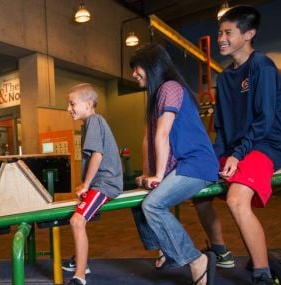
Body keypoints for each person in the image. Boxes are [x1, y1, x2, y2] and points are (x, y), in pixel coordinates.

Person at [201, 5, 281, 285]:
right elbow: (222, 128)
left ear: (249, 33)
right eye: (219, 33)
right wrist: (211, 159)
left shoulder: (262, 66)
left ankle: (263, 273)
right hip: (236, 148)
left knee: (236, 200)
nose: (221, 39)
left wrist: (239, 155)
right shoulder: (225, 77)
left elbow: (264, 120)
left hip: (266, 144)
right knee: (198, 191)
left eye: (228, 32)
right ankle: (220, 251)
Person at [129, 44, 219, 285]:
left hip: (197, 164)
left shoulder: (170, 87)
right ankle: (167, 251)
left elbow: (163, 134)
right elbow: (148, 139)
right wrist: (148, 174)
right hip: (181, 166)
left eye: (136, 68)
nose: (133, 74)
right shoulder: (155, 96)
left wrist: (157, 175)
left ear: (151, 65)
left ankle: (195, 259)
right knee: (139, 201)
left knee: (153, 205)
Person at [61, 83, 123, 285]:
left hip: (104, 183)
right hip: (100, 182)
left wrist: (86, 184)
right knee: (76, 217)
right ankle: (80, 259)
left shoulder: (94, 121)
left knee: (77, 221)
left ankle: (80, 275)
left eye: (72, 104)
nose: (68, 109)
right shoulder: (89, 123)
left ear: (88, 104)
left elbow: (97, 155)